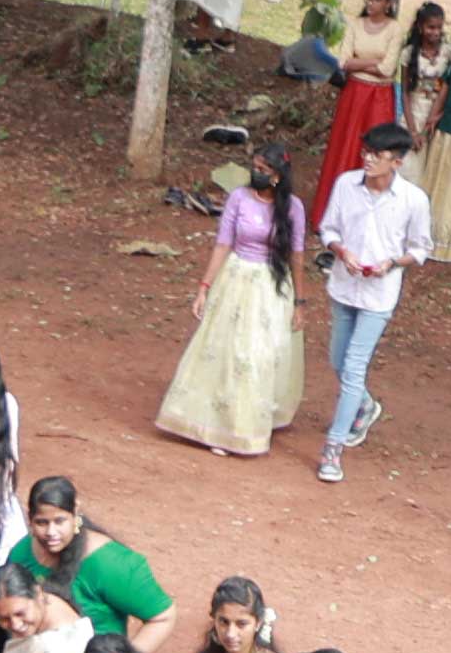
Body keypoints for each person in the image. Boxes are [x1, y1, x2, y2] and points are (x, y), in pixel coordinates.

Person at [154, 132, 307, 456]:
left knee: (257, 355)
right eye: (254, 166)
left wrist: (299, 301)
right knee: (225, 351)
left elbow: (296, 255)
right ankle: (216, 425)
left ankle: (247, 424)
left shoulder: (293, 208)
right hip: (235, 280)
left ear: (277, 176)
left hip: (270, 286)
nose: (256, 173)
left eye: (263, 169)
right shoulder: (239, 197)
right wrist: (204, 287)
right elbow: (223, 243)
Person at [312, 123, 433, 486]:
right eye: (366, 152)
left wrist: (391, 263)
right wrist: (341, 251)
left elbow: (420, 249)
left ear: (396, 162)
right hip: (344, 286)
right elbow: (328, 228)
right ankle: (365, 405)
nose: (367, 160)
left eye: (377, 156)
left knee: (353, 366)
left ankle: (333, 447)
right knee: (337, 360)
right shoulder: (345, 185)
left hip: (379, 295)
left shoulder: (413, 200)